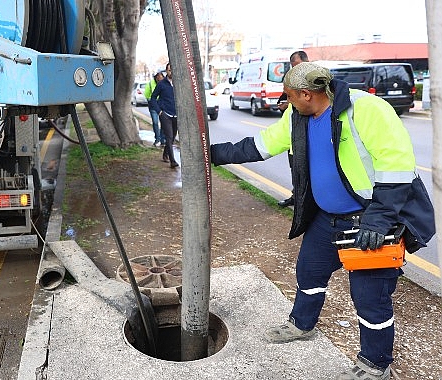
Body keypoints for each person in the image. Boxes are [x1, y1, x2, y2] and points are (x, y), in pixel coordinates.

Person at [210, 62, 435, 380]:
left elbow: (396, 168)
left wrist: (379, 220)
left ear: (306, 94)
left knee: (370, 298)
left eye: (288, 96)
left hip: (369, 221)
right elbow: (263, 145)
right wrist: (212, 153)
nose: (285, 102)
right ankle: (302, 324)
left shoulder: (367, 110)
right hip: (327, 218)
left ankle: (375, 365)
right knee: (309, 271)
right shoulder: (297, 116)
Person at [277, 50, 309, 208]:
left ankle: (306, 203)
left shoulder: (314, 78)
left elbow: (310, 102)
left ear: (306, 61)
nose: (294, 69)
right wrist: (284, 105)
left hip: (308, 136)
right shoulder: (292, 79)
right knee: (295, 170)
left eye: (296, 65)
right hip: (293, 137)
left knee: (307, 172)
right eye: (292, 66)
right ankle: (296, 197)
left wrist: (289, 104)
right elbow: (286, 98)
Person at [150, 63, 179, 168]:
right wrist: (159, 111)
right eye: (169, 70)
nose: (171, 72)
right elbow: (153, 98)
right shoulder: (161, 84)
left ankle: (165, 154)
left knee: (173, 137)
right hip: (165, 114)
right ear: (166, 71)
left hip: (176, 115)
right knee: (169, 136)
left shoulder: (178, 84)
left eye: (173, 70)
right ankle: (173, 161)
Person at [144, 71, 165, 147]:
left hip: (162, 106)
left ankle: (163, 139)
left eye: (161, 79)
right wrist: (152, 100)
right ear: (156, 78)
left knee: (164, 123)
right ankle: (157, 139)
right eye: (158, 79)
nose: (160, 81)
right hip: (153, 106)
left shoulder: (165, 83)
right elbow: (146, 94)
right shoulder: (150, 84)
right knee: (155, 123)